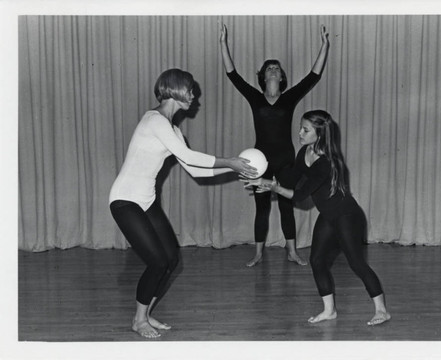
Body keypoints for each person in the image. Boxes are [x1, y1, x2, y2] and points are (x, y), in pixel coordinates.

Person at [109, 68, 257, 338]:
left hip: (146, 200)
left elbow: (195, 169)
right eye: (189, 90)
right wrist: (229, 161)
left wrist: (233, 168)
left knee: (171, 259)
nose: (194, 96)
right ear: (175, 89)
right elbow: (188, 156)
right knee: (156, 261)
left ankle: (145, 315)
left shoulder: (173, 130)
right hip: (125, 200)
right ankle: (138, 320)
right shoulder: (153, 120)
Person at [246, 110, 391, 325]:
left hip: (347, 216)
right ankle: (329, 310)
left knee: (357, 263)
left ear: (320, 133)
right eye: (300, 128)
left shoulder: (327, 162)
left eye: (305, 130)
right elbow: (291, 177)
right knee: (317, 261)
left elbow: (300, 195)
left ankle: (382, 310)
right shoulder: (304, 151)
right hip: (329, 216)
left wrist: (273, 187)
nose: (300, 133)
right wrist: (264, 182)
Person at [220, 23, 330, 267]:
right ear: (263, 76)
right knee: (261, 207)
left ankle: (291, 251)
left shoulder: (289, 97)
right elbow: (233, 75)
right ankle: (258, 253)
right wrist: (223, 43)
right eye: (268, 68)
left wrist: (324, 45)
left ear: (281, 77)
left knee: (285, 205)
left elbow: (313, 75)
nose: (272, 69)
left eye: (276, 68)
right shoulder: (255, 97)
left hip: (285, 160)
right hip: (260, 160)